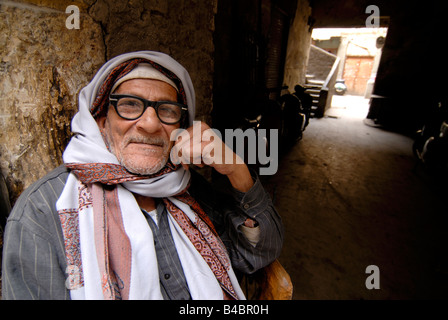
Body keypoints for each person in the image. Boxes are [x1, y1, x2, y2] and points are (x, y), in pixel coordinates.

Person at [1, 51, 283, 300]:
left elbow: (257, 253)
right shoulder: (42, 212)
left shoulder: (189, 189)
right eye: (129, 105)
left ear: (181, 128)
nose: (149, 124)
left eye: (167, 110)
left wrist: (236, 170)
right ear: (101, 122)